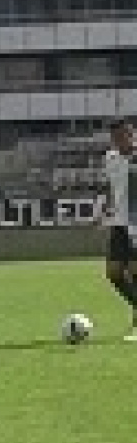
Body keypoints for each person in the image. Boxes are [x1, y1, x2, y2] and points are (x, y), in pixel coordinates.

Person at [102, 118, 137, 341]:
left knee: (134, 270)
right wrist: (107, 207)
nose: (121, 140)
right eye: (116, 137)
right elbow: (112, 186)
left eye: (125, 134)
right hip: (119, 222)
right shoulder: (110, 159)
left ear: (132, 134)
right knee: (113, 273)